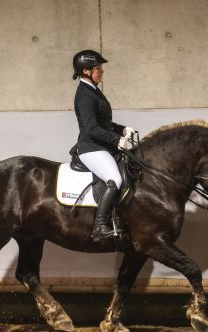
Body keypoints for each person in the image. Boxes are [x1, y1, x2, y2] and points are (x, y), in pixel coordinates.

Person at [72, 49, 135, 242]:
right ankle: (99, 227)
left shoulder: (94, 91)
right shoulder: (85, 95)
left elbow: (103, 123)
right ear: (86, 71)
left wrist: (122, 129)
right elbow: (91, 129)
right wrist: (118, 140)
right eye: (98, 68)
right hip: (91, 148)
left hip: (101, 145)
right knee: (115, 179)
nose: (102, 72)